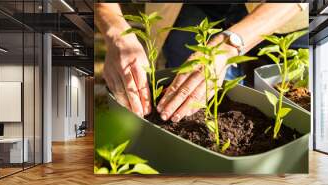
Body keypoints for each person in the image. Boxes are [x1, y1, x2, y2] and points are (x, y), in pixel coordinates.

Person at [95, 3, 308, 121]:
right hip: (190, 7)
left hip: (282, 12)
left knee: (291, 99)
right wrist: (117, 33)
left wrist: (227, 45)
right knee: (190, 92)